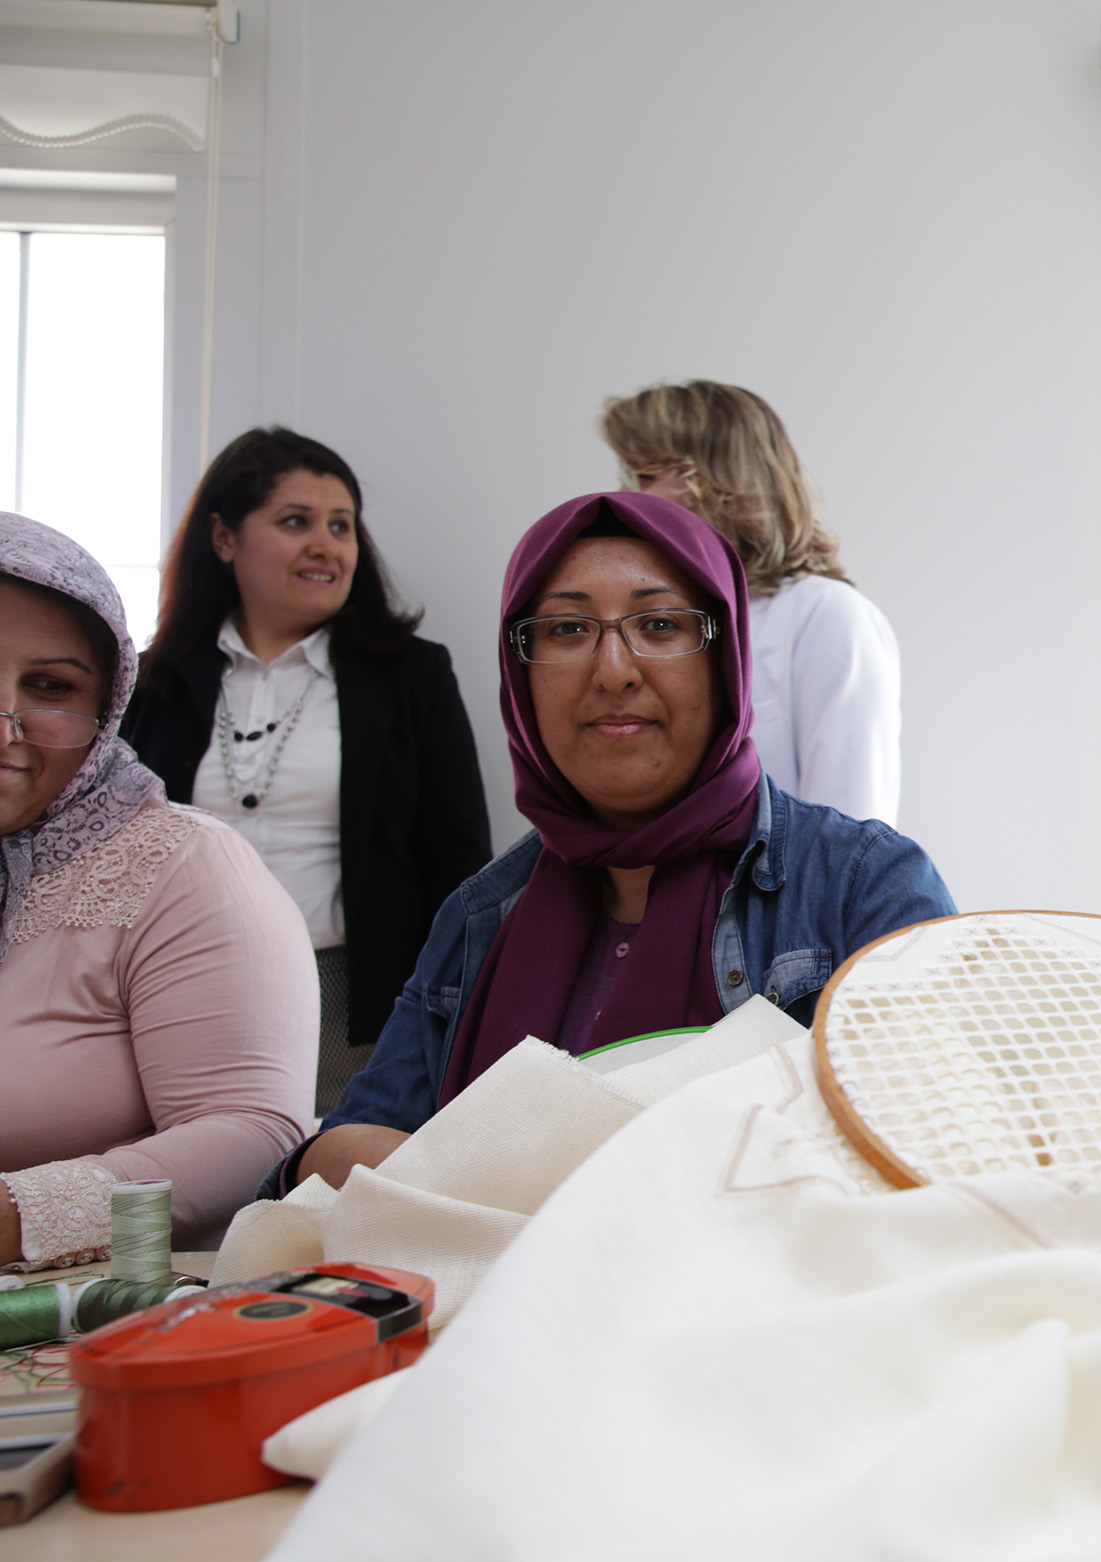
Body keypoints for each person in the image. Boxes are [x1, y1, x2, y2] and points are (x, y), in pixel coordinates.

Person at [284, 491, 953, 1192]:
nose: (613, 670)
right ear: (521, 675)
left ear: (726, 659)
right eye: (567, 629)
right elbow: (336, 1165)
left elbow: (945, 1157)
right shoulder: (477, 919)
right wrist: (326, 1158)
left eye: (660, 624)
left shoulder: (863, 884)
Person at [124, 428, 492, 1113]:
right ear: (224, 538)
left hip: (352, 997)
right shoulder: (153, 682)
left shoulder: (412, 675)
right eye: (296, 521)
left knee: (327, 1167)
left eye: (341, 525)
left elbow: (457, 858)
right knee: (197, 1162)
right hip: (180, 983)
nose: (326, 544)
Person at [0, 515, 315, 1265]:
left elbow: (254, 1133)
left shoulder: (180, 865)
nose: (4, 725)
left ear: (107, 708)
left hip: (100, 1315)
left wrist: (18, 1217)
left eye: (50, 687)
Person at [602, 380, 902, 824]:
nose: (626, 499)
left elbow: (851, 827)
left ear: (716, 484)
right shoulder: (656, 621)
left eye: (645, 477)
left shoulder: (824, 614)